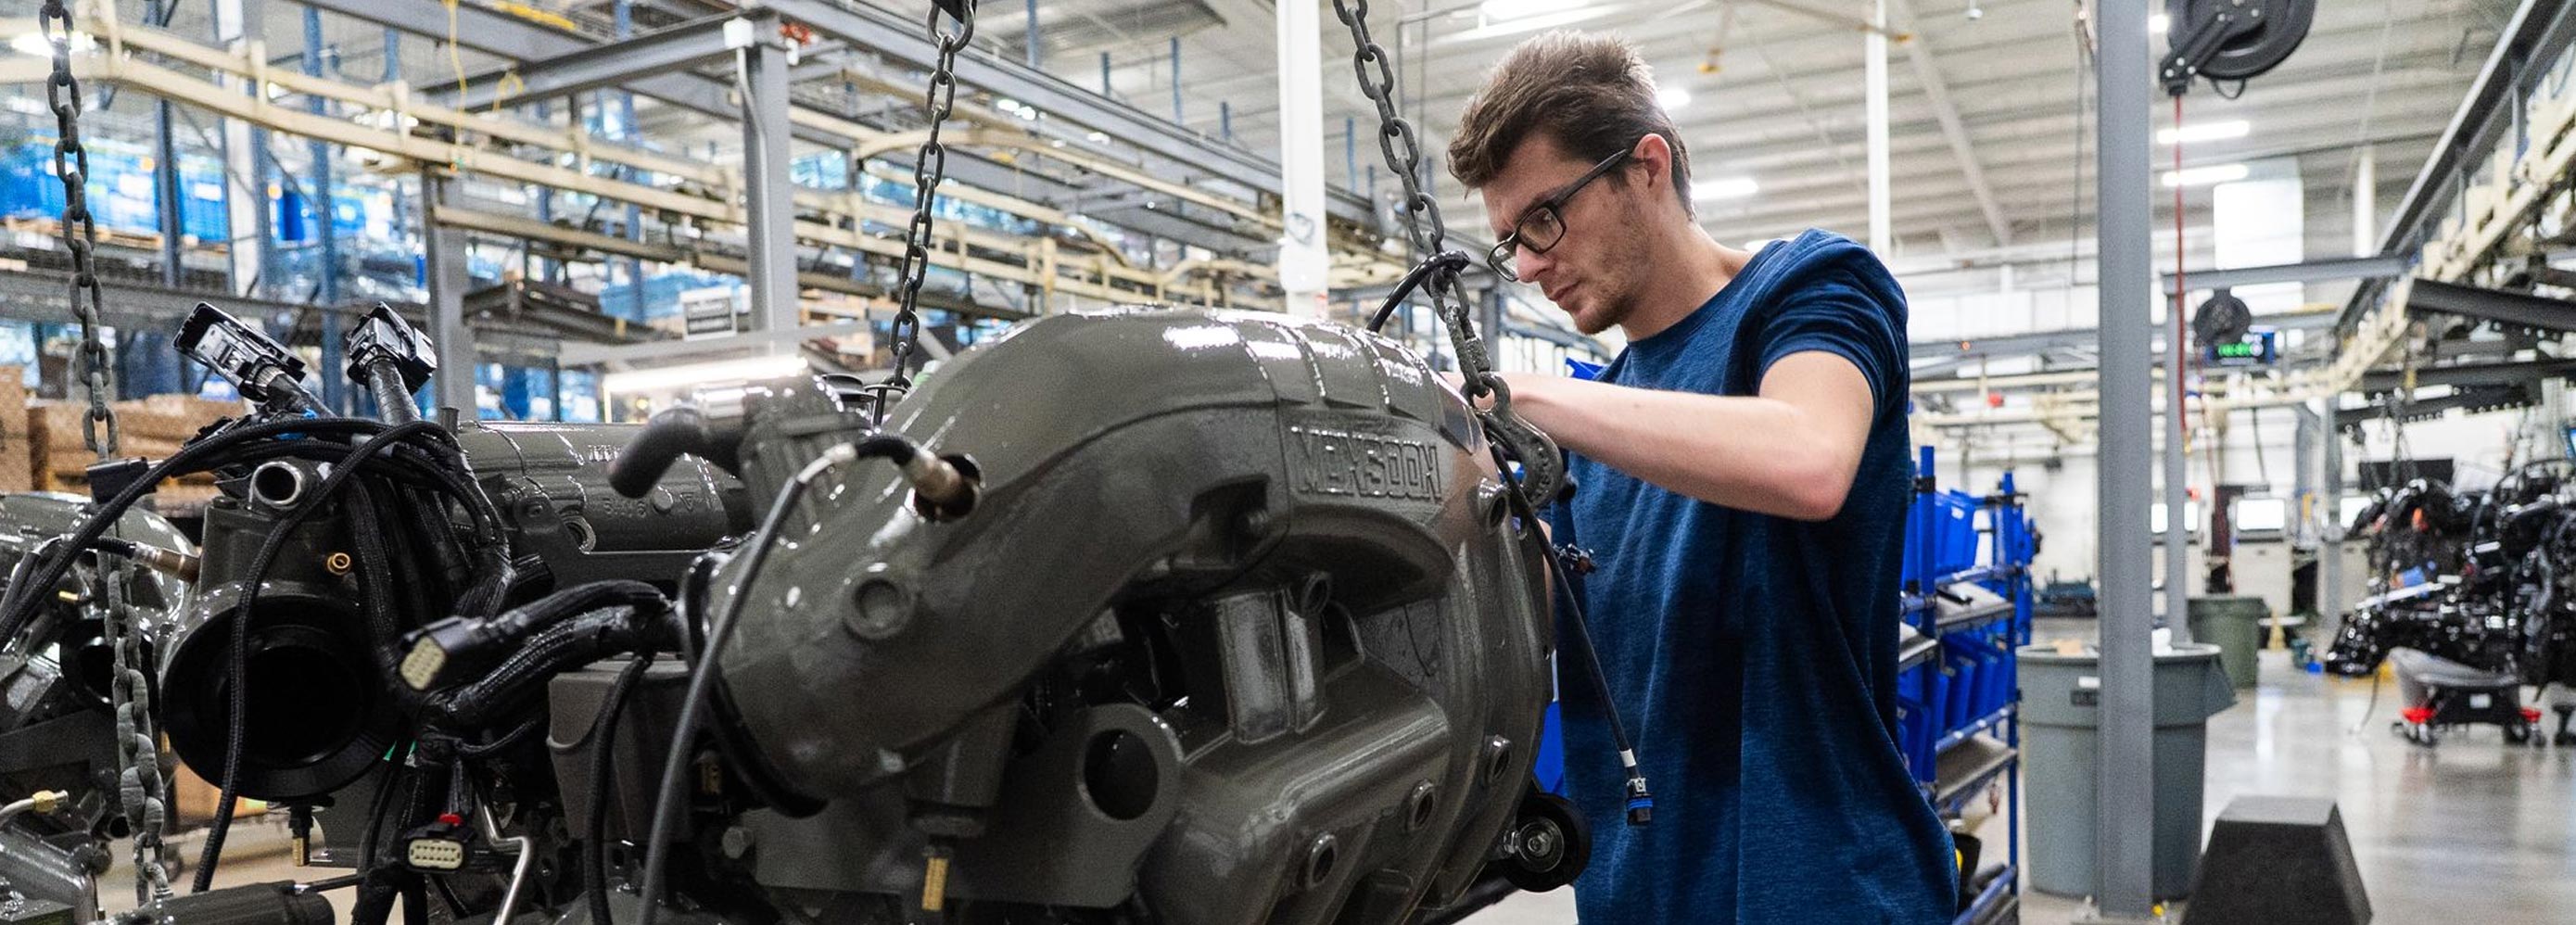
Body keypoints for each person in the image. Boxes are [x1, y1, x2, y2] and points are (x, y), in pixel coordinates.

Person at [1442, 31, 1955, 923]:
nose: (1526, 266)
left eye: (1543, 219)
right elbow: (1540, 630)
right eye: (1508, 243)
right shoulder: (1599, 426)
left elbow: (1808, 459)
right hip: (1638, 893)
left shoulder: (1808, 288)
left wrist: (1528, 395)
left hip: (1817, 886)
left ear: (1646, 167)